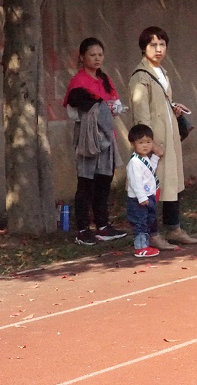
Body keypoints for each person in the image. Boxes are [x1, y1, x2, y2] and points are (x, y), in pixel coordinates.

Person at [129, 26, 197, 250]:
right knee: (150, 189)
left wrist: (173, 110)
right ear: (144, 48)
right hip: (154, 143)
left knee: (172, 183)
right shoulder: (141, 77)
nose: (158, 49)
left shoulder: (162, 72)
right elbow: (141, 115)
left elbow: (159, 105)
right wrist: (150, 145)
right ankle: (152, 233)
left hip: (169, 137)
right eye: (153, 45)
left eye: (162, 44)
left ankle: (174, 228)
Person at [63, 37, 128, 245]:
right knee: (86, 183)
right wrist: (100, 108)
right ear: (82, 57)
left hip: (107, 137)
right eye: (92, 55)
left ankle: (102, 226)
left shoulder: (104, 79)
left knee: (103, 182)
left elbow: (113, 103)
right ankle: (82, 229)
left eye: (100, 55)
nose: (97, 58)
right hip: (88, 139)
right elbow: (75, 111)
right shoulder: (78, 82)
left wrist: (113, 108)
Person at [125, 124, 164, 258]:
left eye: (148, 142)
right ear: (133, 144)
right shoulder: (134, 162)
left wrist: (155, 157)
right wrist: (141, 197)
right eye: (141, 143)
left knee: (148, 221)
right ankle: (140, 248)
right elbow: (135, 182)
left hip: (148, 197)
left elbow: (149, 170)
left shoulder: (144, 158)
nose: (145, 146)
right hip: (138, 200)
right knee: (140, 223)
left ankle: (146, 245)